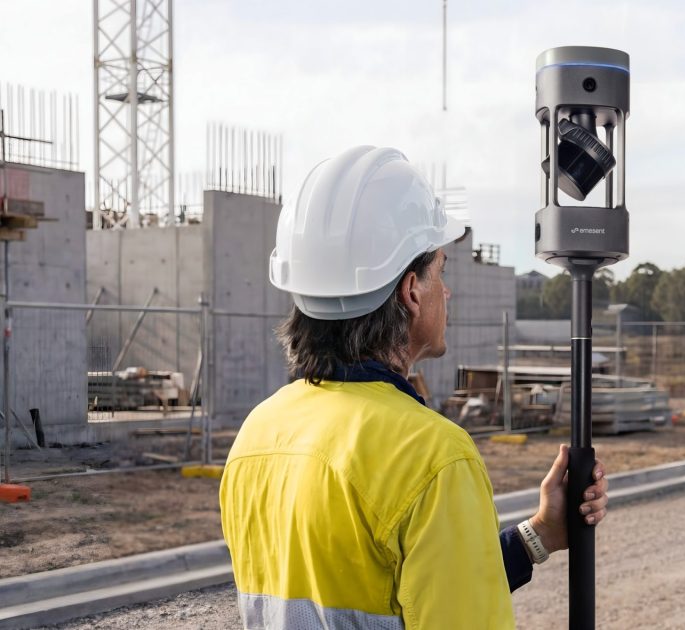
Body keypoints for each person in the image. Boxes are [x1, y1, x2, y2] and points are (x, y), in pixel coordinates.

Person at [220, 146, 609, 630]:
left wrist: (540, 535)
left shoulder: (259, 433)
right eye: (441, 271)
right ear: (410, 292)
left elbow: (383, 595)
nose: (447, 291)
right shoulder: (432, 457)